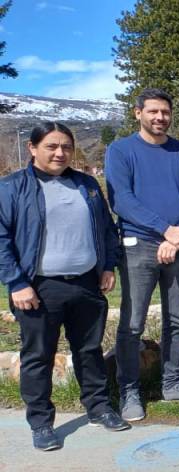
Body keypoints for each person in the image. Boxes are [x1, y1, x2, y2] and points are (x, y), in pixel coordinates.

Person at [0, 123, 129, 451]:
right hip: (38, 288)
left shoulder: (85, 184)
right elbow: (2, 239)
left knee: (89, 351)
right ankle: (41, 422)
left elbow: (106, 227)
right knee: (38, 356)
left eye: (66, 147)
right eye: (51, 146)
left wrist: (108, 265)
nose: (60, 153)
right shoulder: (13, 188)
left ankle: (99, 408)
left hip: (86, 283)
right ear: (32, 148)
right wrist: (16, 282)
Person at [106, 88, 179, 422]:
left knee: (177, 319)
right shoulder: (121, 151)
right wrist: (165, 230)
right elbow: (122, 200)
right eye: (152, 111)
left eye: (165, 112)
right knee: (132, 323)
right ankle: (129, 392)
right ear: (138, 113)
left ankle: (174, 381)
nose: (160, 118)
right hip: (139, 246)